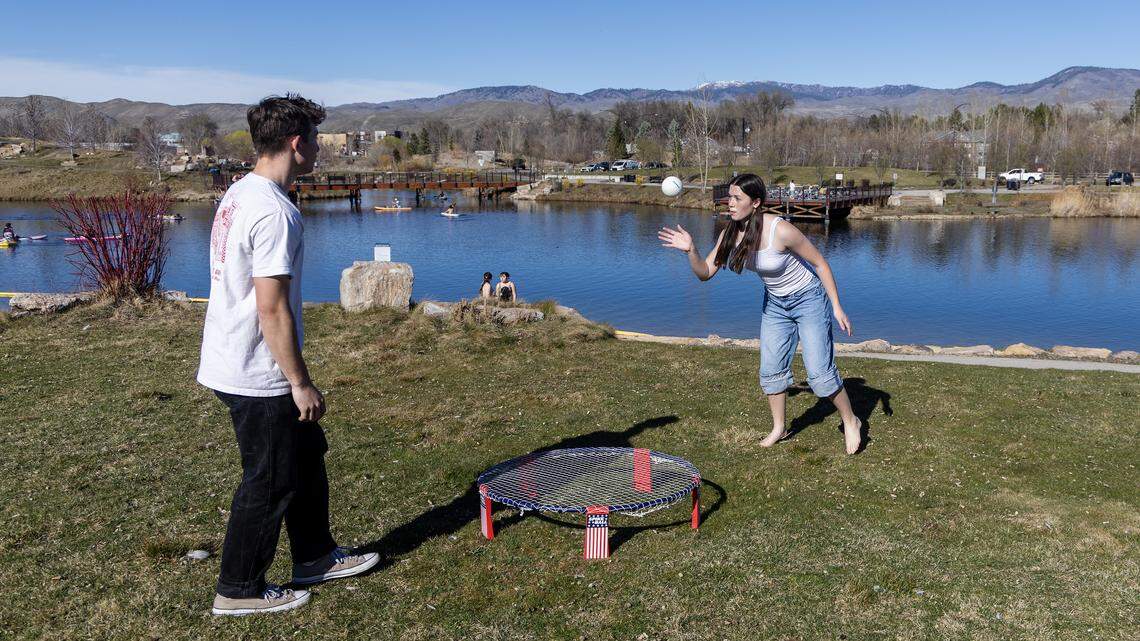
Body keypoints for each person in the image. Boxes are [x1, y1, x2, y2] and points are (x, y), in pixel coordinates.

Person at [197, 94, 379, 617]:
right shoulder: (275, 211)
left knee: (305, 456)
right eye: (316, 140)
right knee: (269, 479)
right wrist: (299, 381)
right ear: (297, 144)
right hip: (257, 369)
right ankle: (239, 589)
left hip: (237, 357)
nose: (319, 150)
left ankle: (315, 557)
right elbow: (271, 309)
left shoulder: (239, 192)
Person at [658, 173, 863, 455]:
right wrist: (691, 250)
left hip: (808, 300)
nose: (729, 203)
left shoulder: (781, 230)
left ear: (755, 202)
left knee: (819, 374)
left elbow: (821, 264)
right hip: (776, 304)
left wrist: (836, 306)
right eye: (729, 197)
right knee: (771, 370)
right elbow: (704, 273)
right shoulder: (730, 233)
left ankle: (851, 421)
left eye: (736, 198)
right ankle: (779, 427)